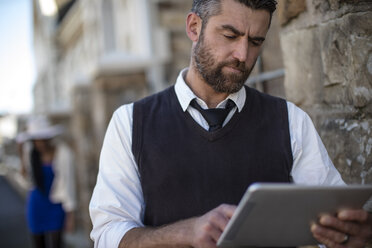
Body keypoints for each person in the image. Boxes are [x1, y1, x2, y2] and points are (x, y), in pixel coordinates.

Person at [89, 0, 372, 247]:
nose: (243, 55)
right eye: (230, 35)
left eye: (256, 41)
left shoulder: (291, 121)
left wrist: (347, 236)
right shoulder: (130, 123)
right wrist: (186, 232)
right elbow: (108, 237)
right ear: (194, 27)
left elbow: (335, 221)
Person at [17, 116, 76, 248]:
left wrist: (70, 215)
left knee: (57, 244)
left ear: (49, 138)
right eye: (37, 140)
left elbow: (69, 185)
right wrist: (21, 156)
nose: (41, 144)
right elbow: (26, 180)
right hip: (36, 205)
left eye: (43, 139)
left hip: (56, 205)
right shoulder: (30, 153)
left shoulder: (64, 153)